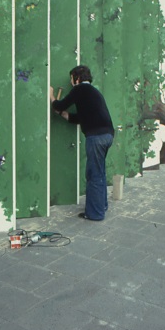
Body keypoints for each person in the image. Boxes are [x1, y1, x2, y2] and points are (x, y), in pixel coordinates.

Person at [50, 65, 114, 221]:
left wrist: (51, 96)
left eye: (72, 79)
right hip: (107, 135)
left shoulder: (80, 89)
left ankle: (95, 214)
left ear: (77, 78)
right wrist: (64, 115)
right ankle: (101, 206)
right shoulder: (93, 92)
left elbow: (59, 105)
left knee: (93, 174)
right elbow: (80, 118)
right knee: (100, 172)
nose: (71, 83)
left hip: (96, 138)